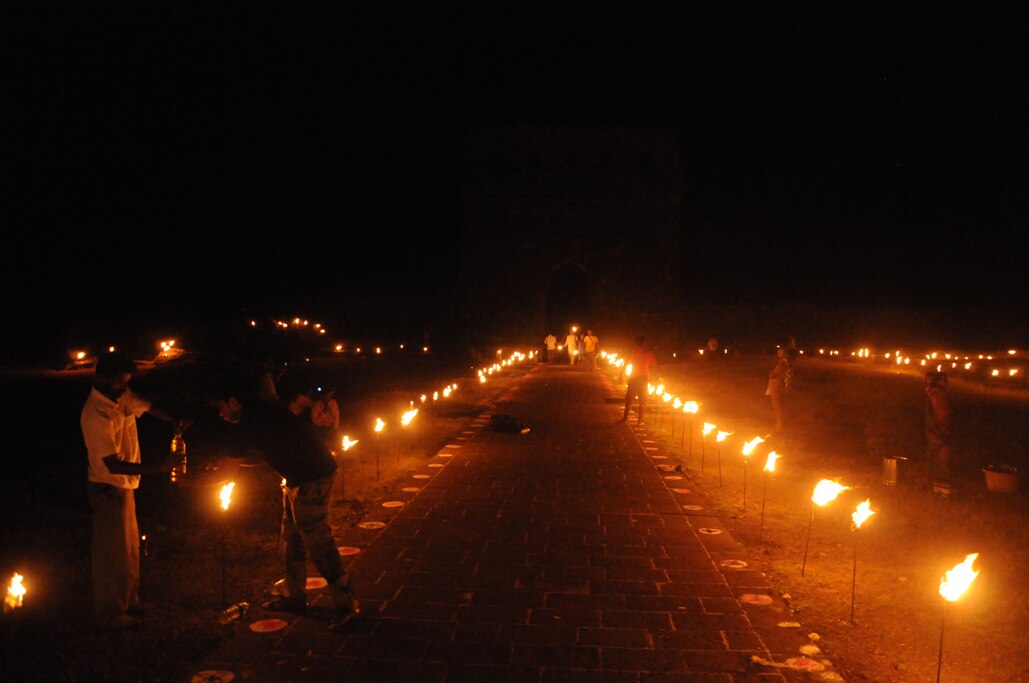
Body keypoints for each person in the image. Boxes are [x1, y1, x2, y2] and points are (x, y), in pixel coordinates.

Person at [199, 374, 358, 632]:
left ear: (232, 401)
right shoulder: (260, 412)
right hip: (300, 476)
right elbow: (266, 453)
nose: (219, 414)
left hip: (312, 477)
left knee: (318, 542)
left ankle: (346, 604)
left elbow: (227, 473)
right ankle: (294, 597)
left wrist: (187, 482)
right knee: (293, 539)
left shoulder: (251, 420)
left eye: (220, 407)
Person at [80, 351, 182, 629]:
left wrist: (171, 420)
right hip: (107, 488)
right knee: (111, 554)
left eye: (126, 381)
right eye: (119, 381)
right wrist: (160, 466)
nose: (123, 387)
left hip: (124, 487)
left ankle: (130, 601)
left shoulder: (119, 396)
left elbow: (144, 406)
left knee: (130, 548)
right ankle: (111, 614)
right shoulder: (96, 415)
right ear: (101, 378)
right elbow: (113, 465)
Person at [617, 336, 659, 424]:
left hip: (634, 378)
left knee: (629, 399)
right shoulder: (648, 353)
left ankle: (625, 419)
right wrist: (657, 376)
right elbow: (655, 366)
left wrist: (621, 374)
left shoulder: (633, 352)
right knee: (642, 400)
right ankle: (639, 421)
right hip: (643, 379)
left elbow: (626, 363)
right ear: (644, 343)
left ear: (636, 343)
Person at [925, 371, 954, 493]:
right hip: (937, 428)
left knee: (941, 455)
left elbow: (944, 413)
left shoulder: (938, 393)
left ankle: (943, 483)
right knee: (937, 454)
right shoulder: (935, 392)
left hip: (941, 428)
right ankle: (938, 481)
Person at [766, 347, 792, 433]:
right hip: (778, 387)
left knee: (778, 406)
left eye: (780, 353)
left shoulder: (782, 363)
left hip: (777, 387)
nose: (779, 355)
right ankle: (781, 423)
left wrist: (770, 372)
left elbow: (773, 374)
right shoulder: (786, 363)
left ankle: (781, 425)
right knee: (779, 406)